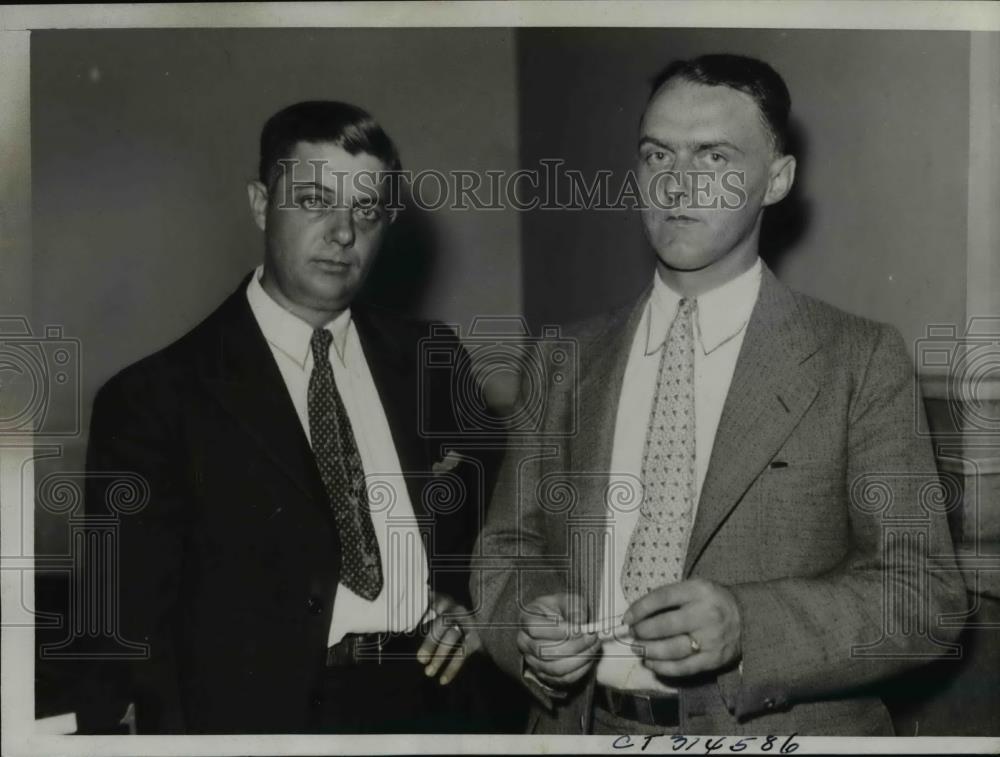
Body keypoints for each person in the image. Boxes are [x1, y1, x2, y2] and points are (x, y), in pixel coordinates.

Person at [471, 54, 967, 736]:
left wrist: (749, 625)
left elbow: (925, 596)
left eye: (714, 157)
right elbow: (508, 550)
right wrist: (528, 622)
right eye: (657, 155)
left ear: (778, 179)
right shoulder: (564, 356)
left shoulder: (858, 359)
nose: (677, 184)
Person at [85, 100, 501, 734]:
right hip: (262, 722)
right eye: (314, 200)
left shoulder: (431, 359)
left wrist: (475, 603)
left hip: (437, 706)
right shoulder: (154, 398)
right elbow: (127, 642)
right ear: (260, 204)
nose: (343, 232)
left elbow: (505, 517)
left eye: (366, 208)